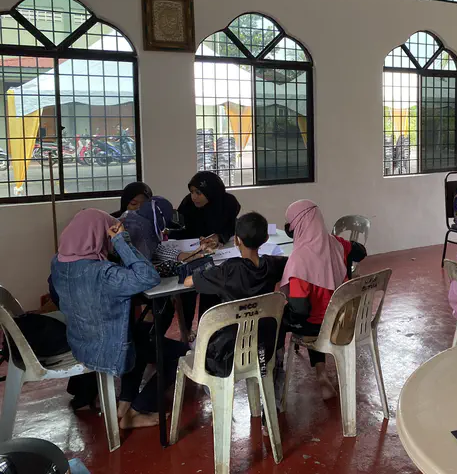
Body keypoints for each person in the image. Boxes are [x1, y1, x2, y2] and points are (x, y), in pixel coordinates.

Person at [49, 209, 186, 429]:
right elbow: (148, 277)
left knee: (140, 336)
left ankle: (124, 404)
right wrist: (121, 242)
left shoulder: (58, 264)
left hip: (80, 341)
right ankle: (138, 409)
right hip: (109, 348)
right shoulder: (103, 273)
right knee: (182, 355)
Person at [279, 200, 367, 400]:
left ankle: (276, 381)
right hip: (342, 320)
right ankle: (321, 374)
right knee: (319, 312)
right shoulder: (336, 243)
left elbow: (300, 310)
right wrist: (350, 246)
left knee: (277, 321)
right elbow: (361, 252)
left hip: (317, 327)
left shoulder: (299, 260)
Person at [184, 212, 287, 377]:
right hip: (264, 346)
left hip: (227, 353)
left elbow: (188, 282)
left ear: (237, 240)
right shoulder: (273, 264)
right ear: (266, 238)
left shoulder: (228, 270)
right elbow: (291, 262)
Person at [171, 171, 242, 328]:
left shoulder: (228, 202)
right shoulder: (188, 204)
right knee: (188, 294)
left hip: (219, 255)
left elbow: (231, 226)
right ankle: (187, 330)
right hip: (192, 256)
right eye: (191, 192)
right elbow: (180, 230)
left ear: (211, 192)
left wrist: (218, 237)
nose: (194, 197)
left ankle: (208, 331)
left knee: (211, 292)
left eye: (199, 192)